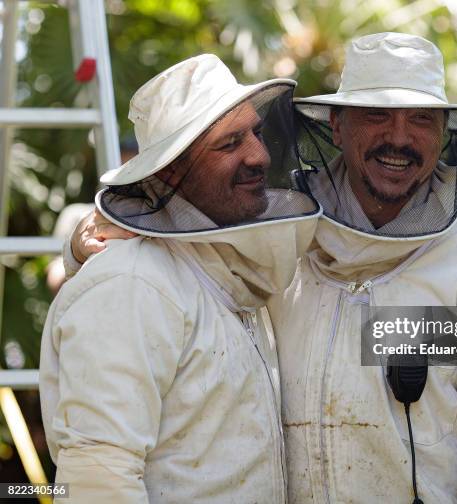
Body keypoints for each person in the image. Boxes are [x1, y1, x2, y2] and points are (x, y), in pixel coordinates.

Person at [67, 33, 457, 503]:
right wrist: (79, 245)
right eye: (376, 115)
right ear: (336, 126)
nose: (400, 138)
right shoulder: (276, 244)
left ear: (445, 134)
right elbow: (177, 253)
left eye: (422, 120)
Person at [40, 54, 321, 502]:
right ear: (170, 170)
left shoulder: (234, 269)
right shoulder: (130, 286)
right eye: (229, 143)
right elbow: (99, 477)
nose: (260, 155)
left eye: (256, 132)